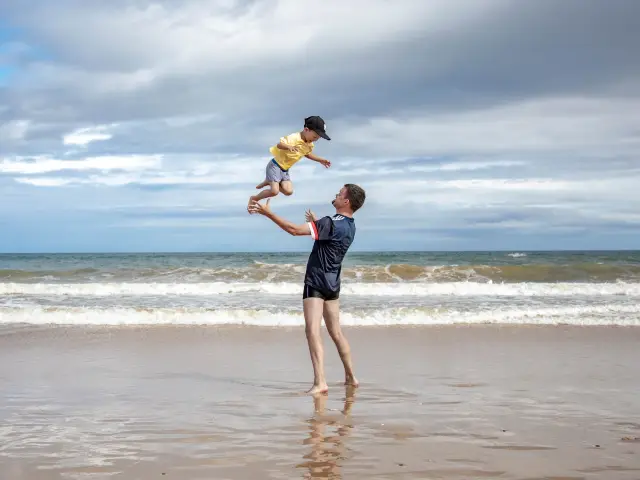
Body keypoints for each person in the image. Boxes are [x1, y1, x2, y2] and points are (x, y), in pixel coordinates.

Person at [248, 183, 366, 395]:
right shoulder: (350, 225)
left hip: (316, 282)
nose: (336, 195)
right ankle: (351, 377)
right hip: (333, 283)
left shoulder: (329, 222)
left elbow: (294, 230)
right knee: (336, 332)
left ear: (346, 201)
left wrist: (268, 213)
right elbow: (331, 240)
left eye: (339, 194)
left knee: (312, 331)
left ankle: (320, 382)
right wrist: (315, 223)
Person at [248, 116, 332, 210]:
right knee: (274, 192)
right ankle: (254, 198)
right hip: (275, 166)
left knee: (288, 191)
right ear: (306, 129)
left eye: (318, 138)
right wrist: (288, 147)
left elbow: (307, 154)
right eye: (315, 137)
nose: (315, 140)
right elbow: (279, 145)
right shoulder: (294, 138)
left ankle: (270, 181)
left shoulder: (309, 144)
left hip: (284, 170)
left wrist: (321, 160)